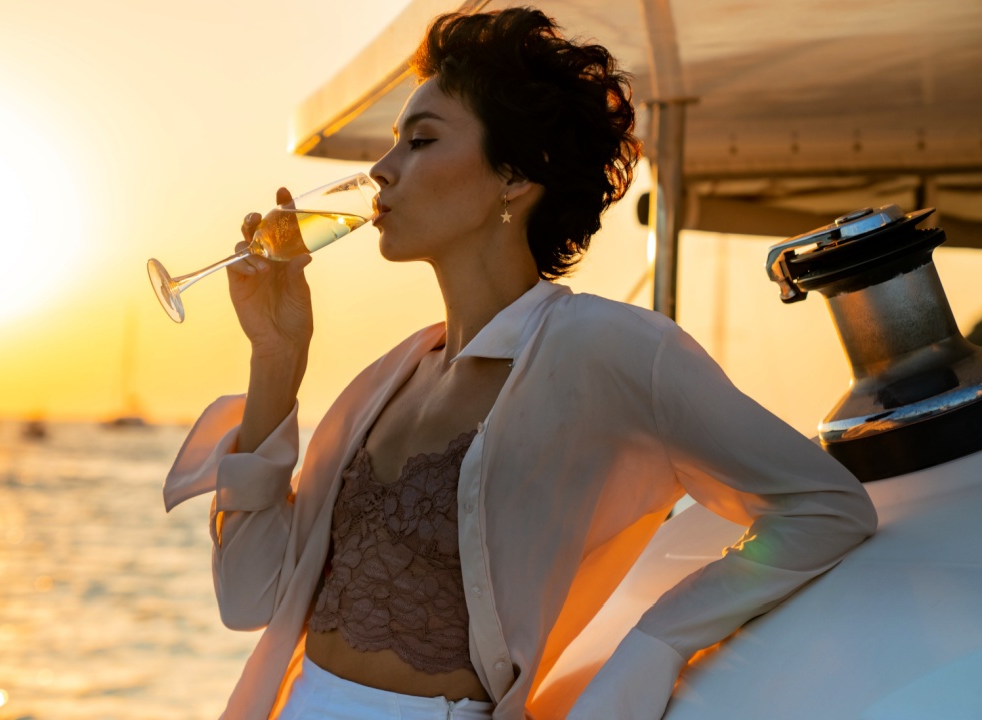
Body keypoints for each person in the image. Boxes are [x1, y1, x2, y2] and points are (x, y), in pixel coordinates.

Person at [162, 8, 877, 719]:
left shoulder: (610, 348)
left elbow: (825, 506)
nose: (381, 170)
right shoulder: (388, 379)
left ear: (515, 178)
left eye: (421, 141)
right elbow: (248, 599)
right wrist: (277, 357)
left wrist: (656, 642)